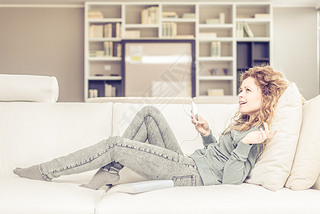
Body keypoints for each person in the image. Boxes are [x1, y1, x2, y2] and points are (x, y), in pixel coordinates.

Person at [13, 65, 288, 190]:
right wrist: (207, 135)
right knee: (149, 113)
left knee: (115, 145)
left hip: (191, 176)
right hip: (188, 163)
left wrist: (245, 145)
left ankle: (47, 171)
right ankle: (109, 173)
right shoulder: (244, 123)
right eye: (240, 89)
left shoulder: (257, 134)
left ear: (265, 95)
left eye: (247, 90)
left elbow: (229, 180)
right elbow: (217, 156)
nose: (240, 94)